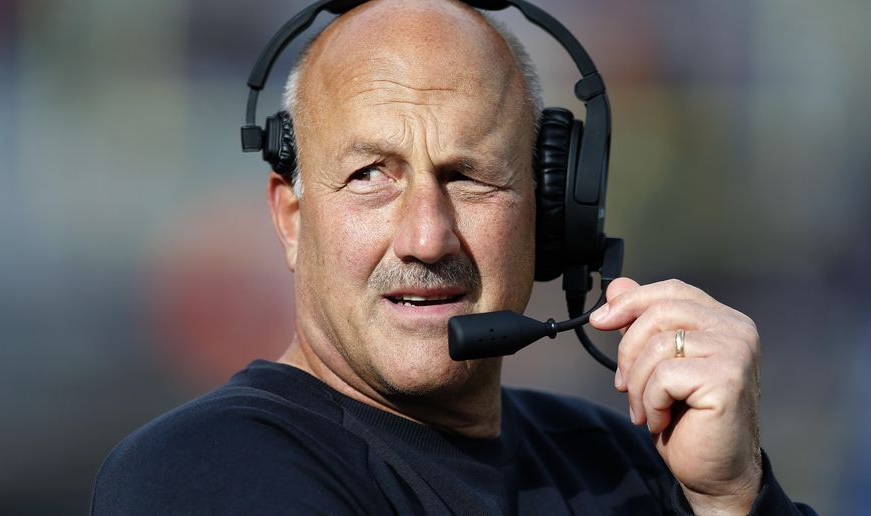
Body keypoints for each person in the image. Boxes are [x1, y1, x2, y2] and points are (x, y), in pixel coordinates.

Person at [91, 1, 816, 514]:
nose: (426, 238)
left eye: (468, 176)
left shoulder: (626, 460)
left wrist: (731, 498)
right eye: (369, 176)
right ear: (291, 219)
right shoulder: (204, 468)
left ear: (550, 212)